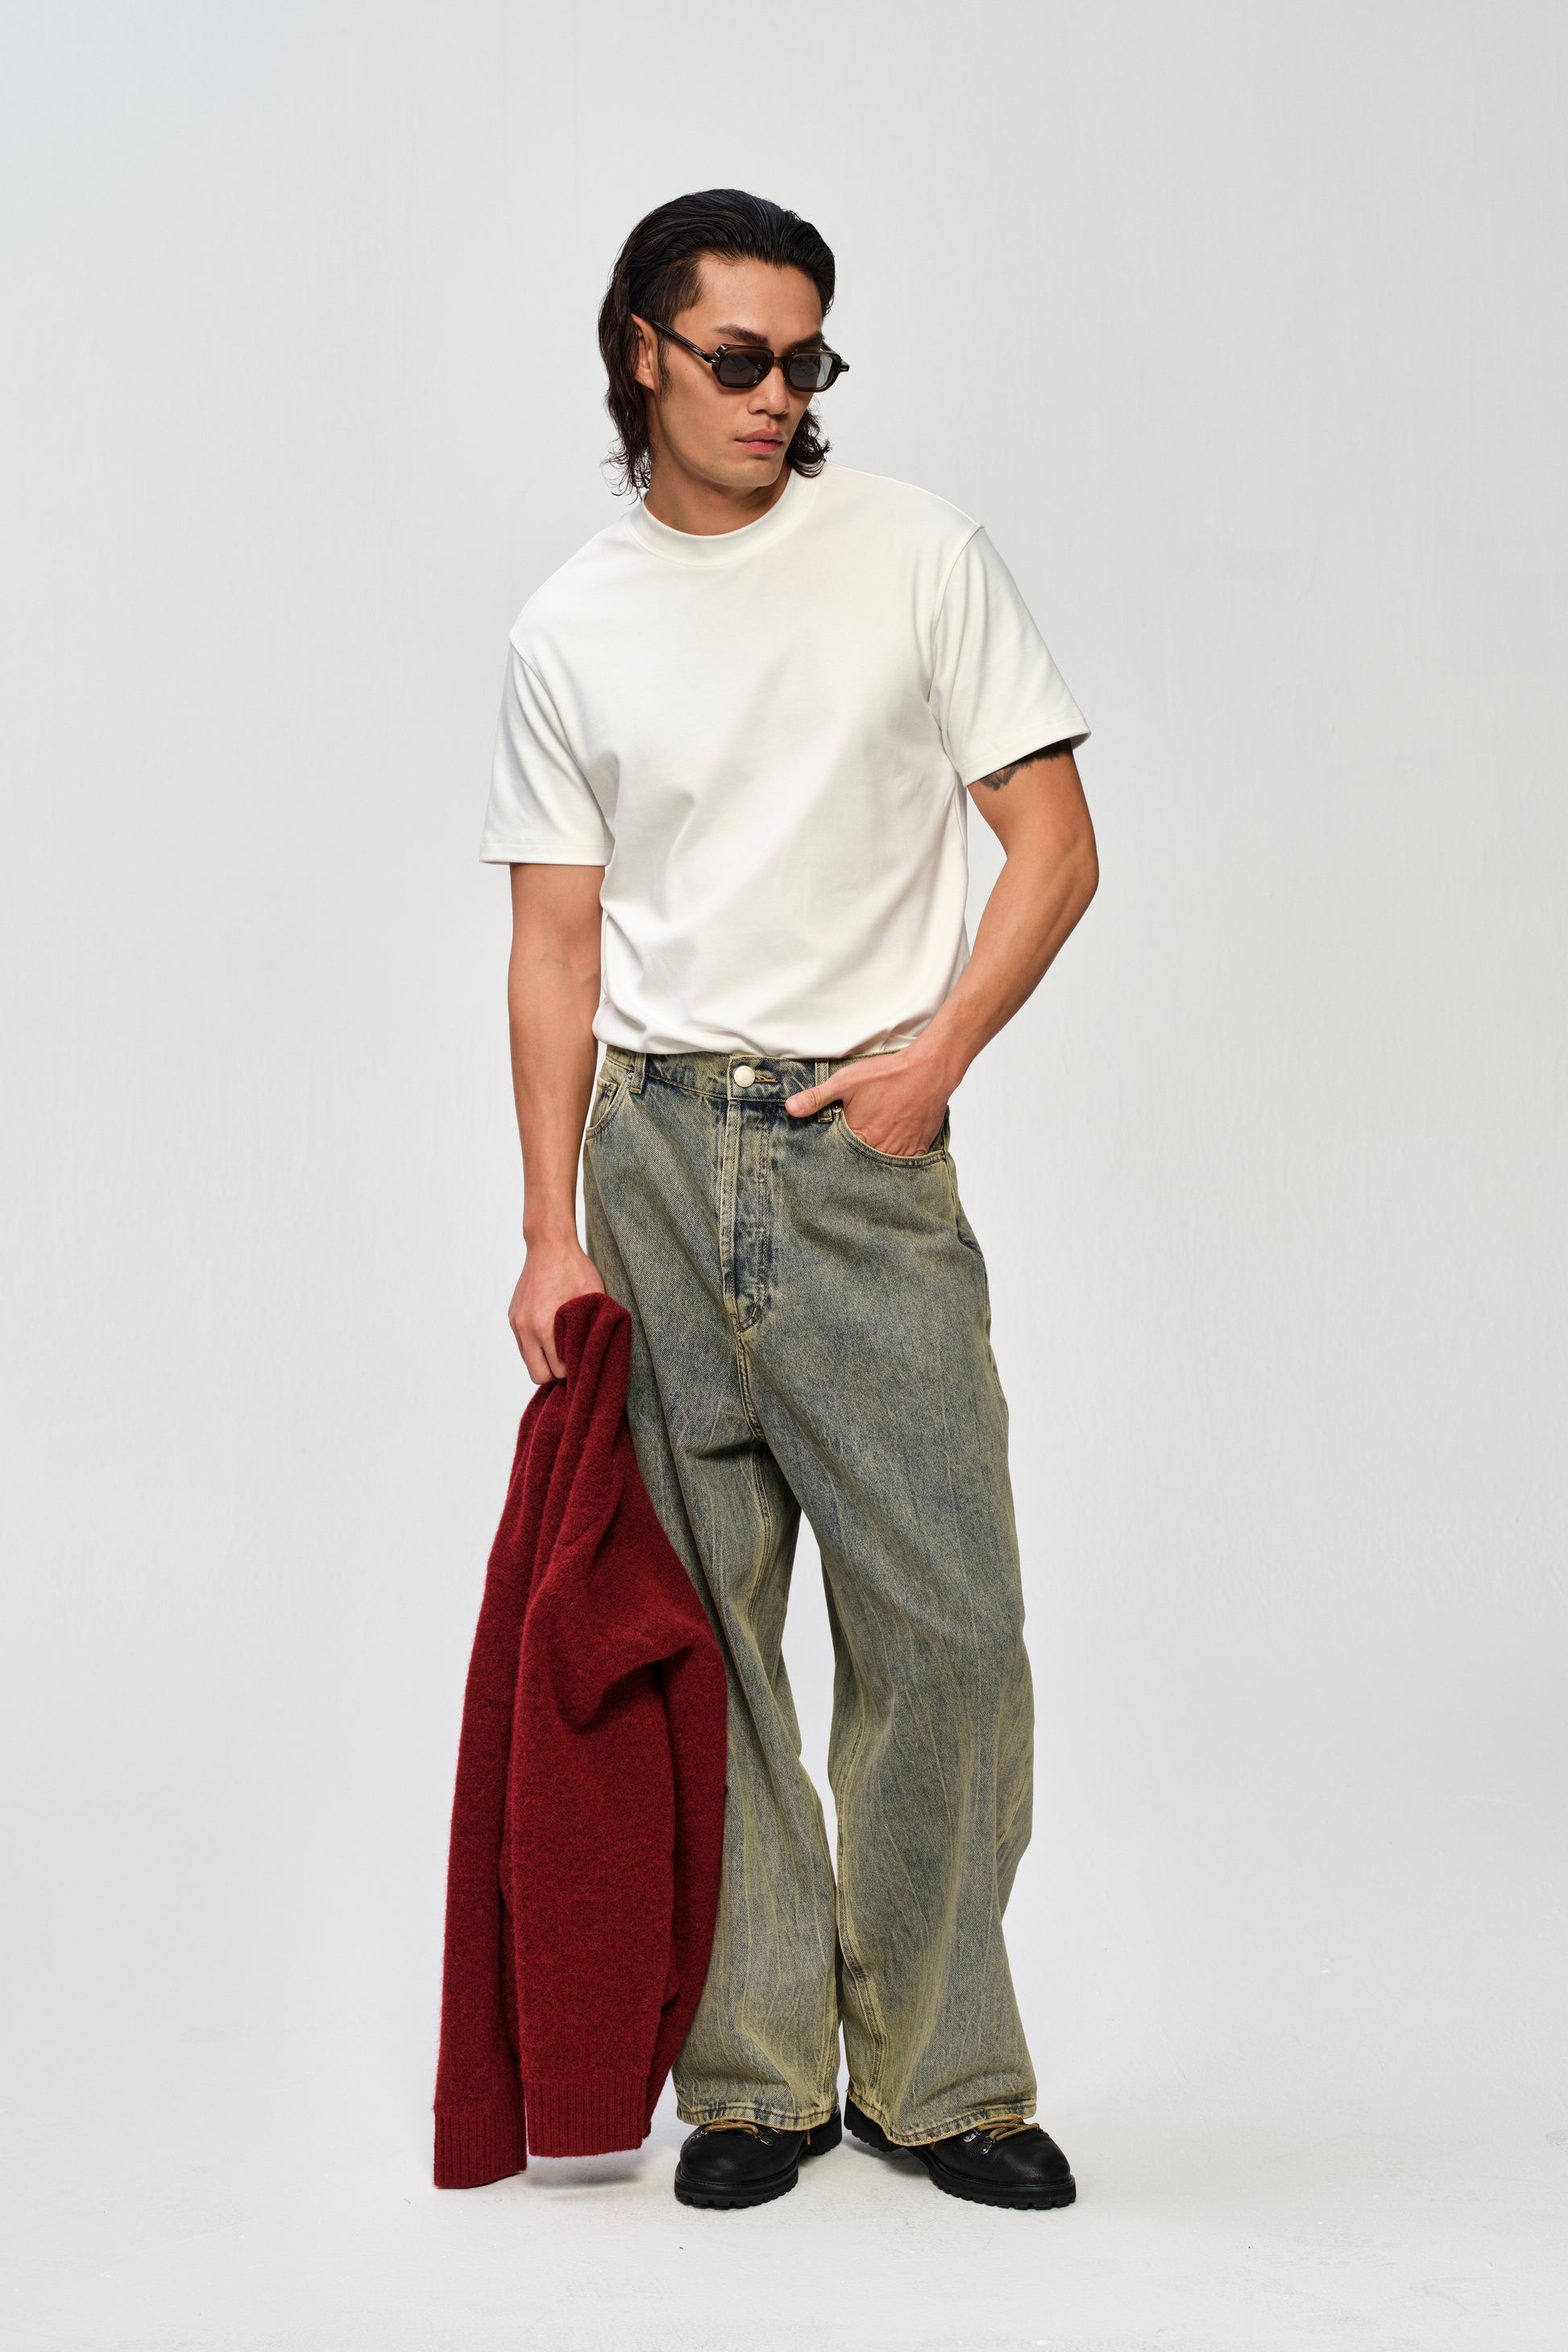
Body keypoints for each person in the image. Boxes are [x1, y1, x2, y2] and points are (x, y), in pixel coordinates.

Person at [480, 188, 1097, 2213]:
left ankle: (940, 2071)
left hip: (855, 1150)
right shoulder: (569, 623)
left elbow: (1052, 841)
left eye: (806, 357)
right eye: (737, 355)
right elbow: (554, 943)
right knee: (708, 1630)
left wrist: (936, 1061)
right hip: (654, 1156)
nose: (776, 393)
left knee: (949, 1620)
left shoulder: (915, 551)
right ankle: (753, 2076)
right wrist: (548, 1226)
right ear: (642, 349)